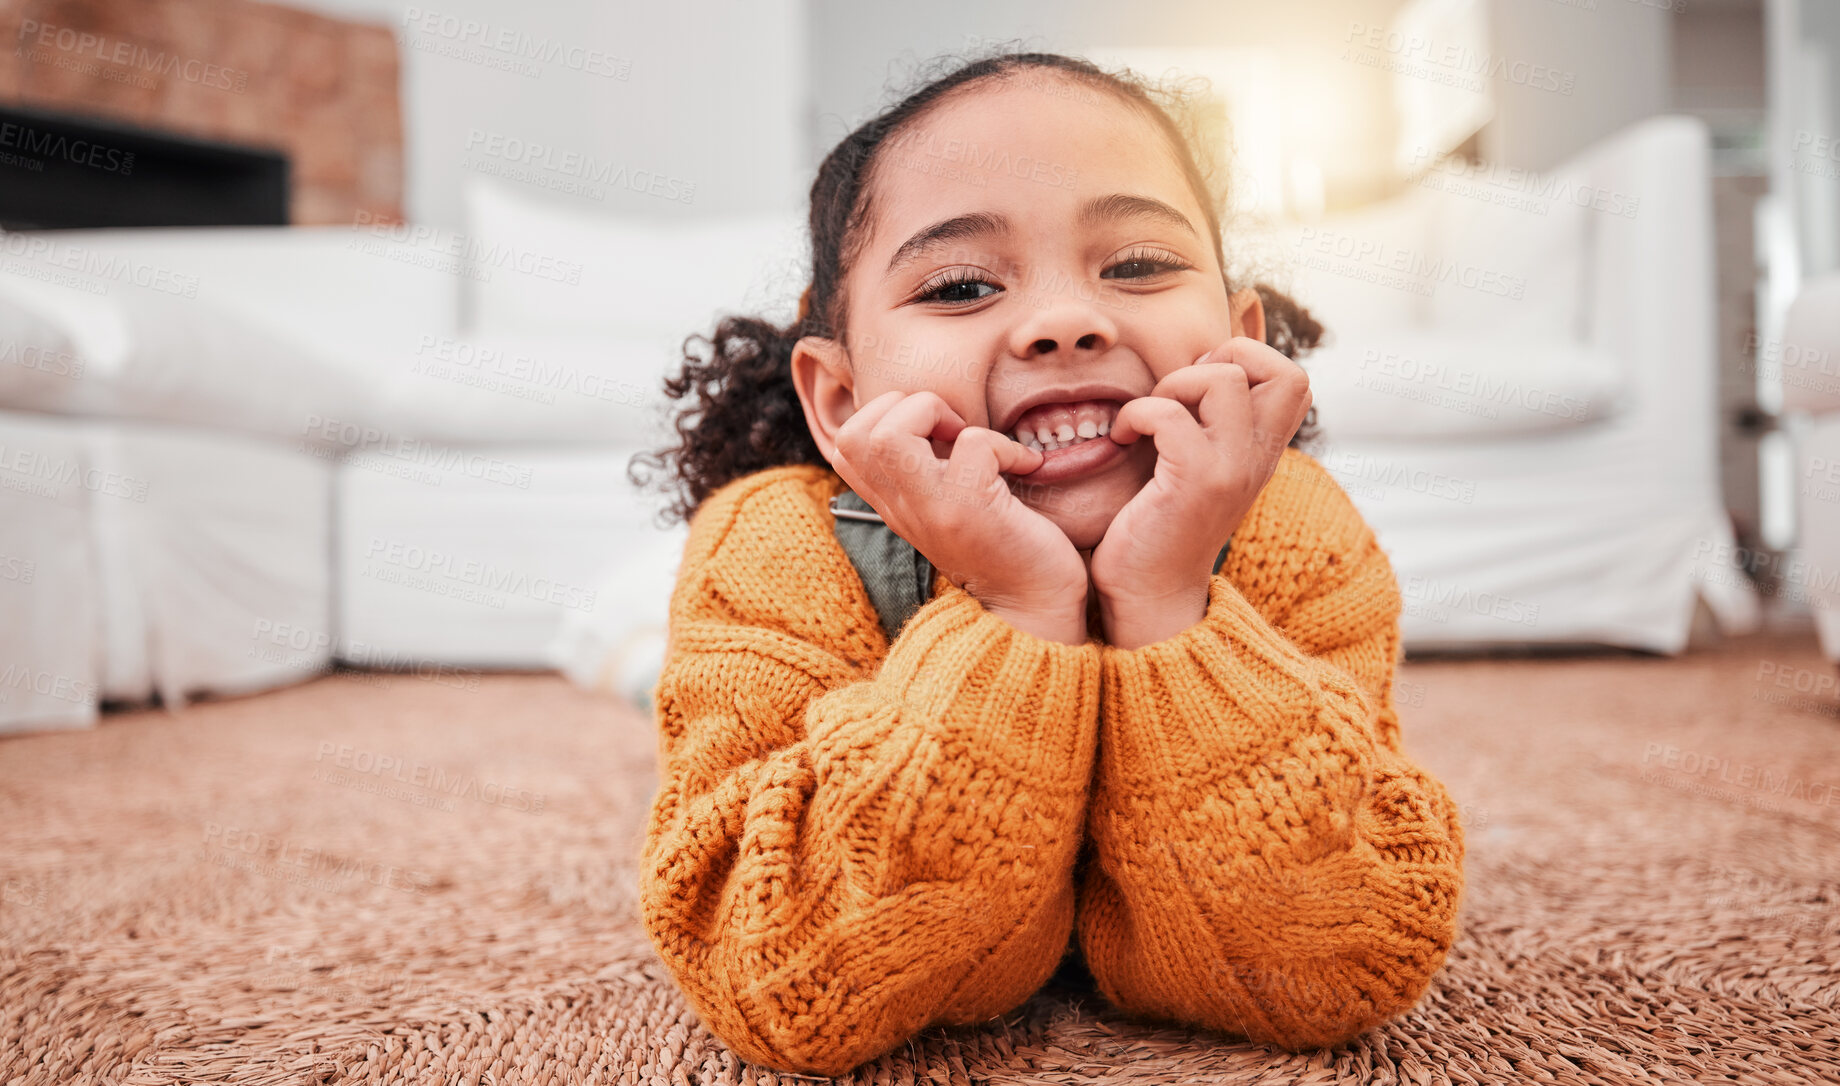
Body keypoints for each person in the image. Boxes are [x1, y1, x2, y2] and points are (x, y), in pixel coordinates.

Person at [630, 49, 1466, 1078]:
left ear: (1240, 339)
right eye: (963, 284)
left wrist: (1167, 602)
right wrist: (1018, 607)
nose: (1068, 321)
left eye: (1137, 266)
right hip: (816, 645)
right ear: (840, 401)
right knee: (671, 683)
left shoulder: (1291, 528)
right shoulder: (776, 546)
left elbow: (1338, 966)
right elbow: (782, 985)